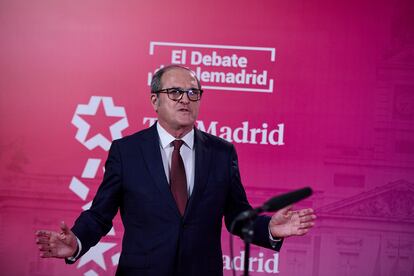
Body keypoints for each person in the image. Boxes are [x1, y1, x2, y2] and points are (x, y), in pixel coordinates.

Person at [35, 65, 316, 275]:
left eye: (193, 93)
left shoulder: (222, 152)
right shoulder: (127, 151)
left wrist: (270, 228)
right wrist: (78, 242)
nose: (185, 99)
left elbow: (236, 217)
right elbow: (100, 214)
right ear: (155, 101)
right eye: (175, 92)